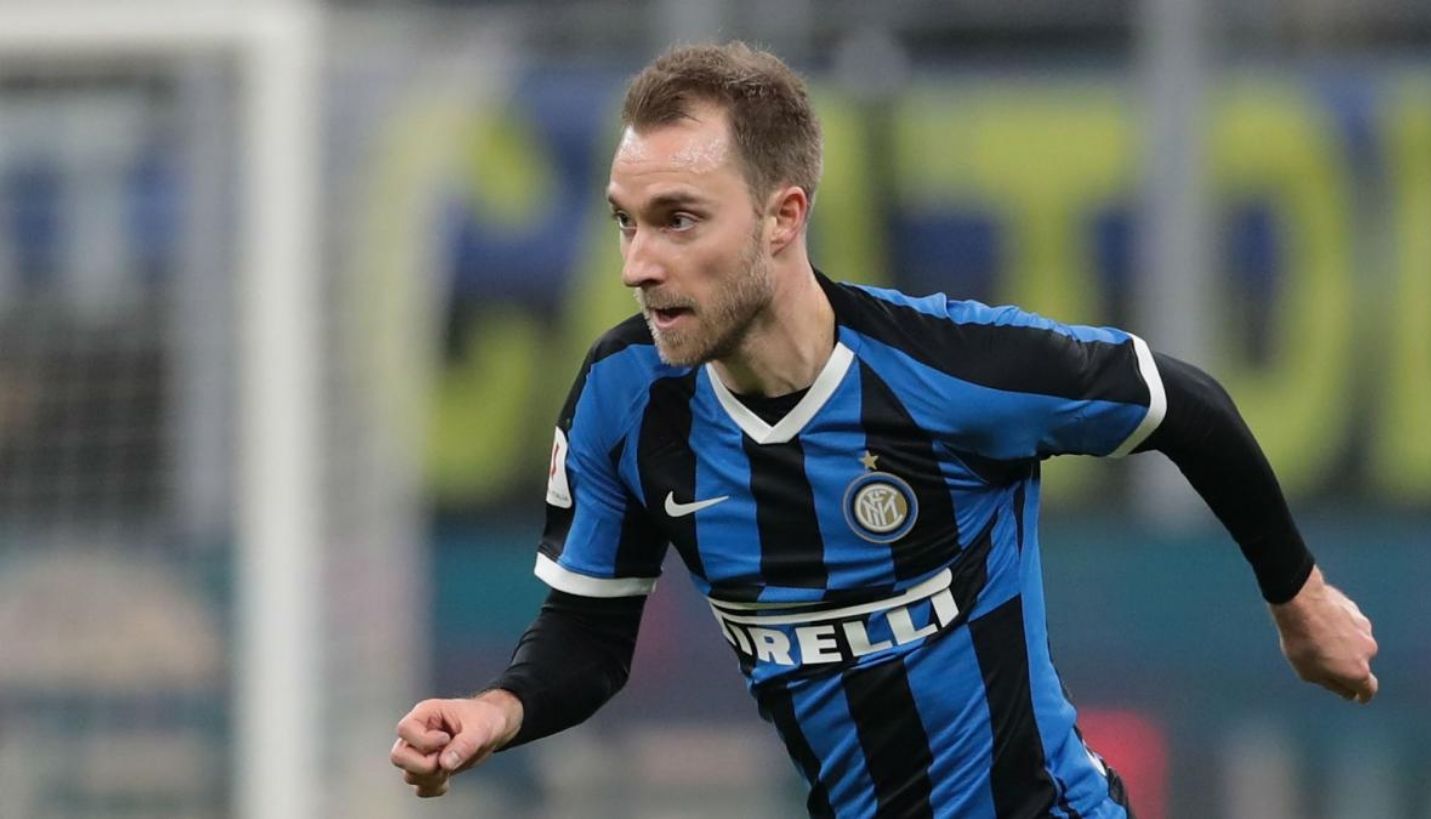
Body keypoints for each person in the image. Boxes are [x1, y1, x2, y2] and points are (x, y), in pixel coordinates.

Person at [391, 42, 1378, 817]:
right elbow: (590, 634)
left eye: (679, 219)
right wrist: (496, 709)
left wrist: (1300, 600)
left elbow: (1178, 402)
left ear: (783, 218)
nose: (637, 264)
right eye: (626, 220)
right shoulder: (625, 396)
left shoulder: (945, 369)